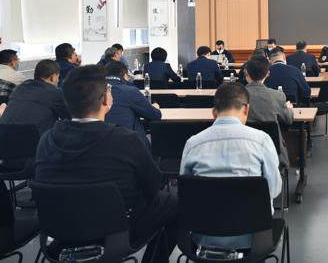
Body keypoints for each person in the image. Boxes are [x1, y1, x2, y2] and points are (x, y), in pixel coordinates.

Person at [35, 65, 178, 263]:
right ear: (105, 99)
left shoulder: (46, 140)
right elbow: (153, 186)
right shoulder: (126, 139)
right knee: (174, 201)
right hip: (116, 232)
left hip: (60, 230)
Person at [180, 82, 281, 252]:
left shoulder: (192, 143)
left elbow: (186, 192)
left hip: (202, 236)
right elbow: (274, 189)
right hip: (252, 239)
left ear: (214, 112)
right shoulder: (262, 140)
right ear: (246, 109)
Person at [245, 55, 295, 167]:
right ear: (267, 74)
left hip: (243, 151)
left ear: (246, 73)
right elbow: (288, 120)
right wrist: (289, 109)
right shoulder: (277, 96)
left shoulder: (236, 96)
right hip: (273, 152)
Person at [1, 59, 69, 135]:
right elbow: (70, 118)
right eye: (58, 77)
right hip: (30, 139)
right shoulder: (55, 92)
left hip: (1, 136)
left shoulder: (19, 88)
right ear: (53, 77)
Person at [105, 62, 162, 147]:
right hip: (129, 146)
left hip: (99, 145)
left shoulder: (93, 91)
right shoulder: (129, 91)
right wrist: (155, 108)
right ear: (125, 75)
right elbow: (154, 115)